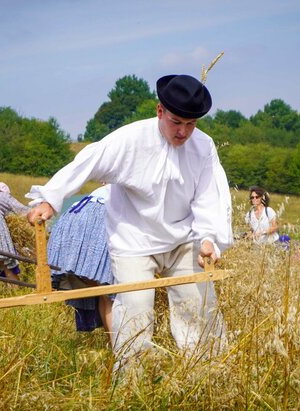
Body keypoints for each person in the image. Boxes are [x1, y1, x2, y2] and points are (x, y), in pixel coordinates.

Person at [26, 74, 233, 372]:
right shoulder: (130, 140)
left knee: (198, 303)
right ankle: (132, 380)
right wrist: (50, 198)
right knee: (134, 309)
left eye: (191, 124)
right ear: (160, 111)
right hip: (134, 240)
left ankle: (208, 373)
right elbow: (87, 163)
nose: (183, 131)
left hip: (184, 239)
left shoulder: (203, 146)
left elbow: (210, 194)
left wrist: (209, 238)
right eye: (176, 122)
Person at [47, 184, 113, 345]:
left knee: (104, 292)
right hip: (98, 222)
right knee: (112, 294)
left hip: (72, 222)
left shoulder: (101, 190)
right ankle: (118, 347)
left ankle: (114, 344)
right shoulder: (122, 189)